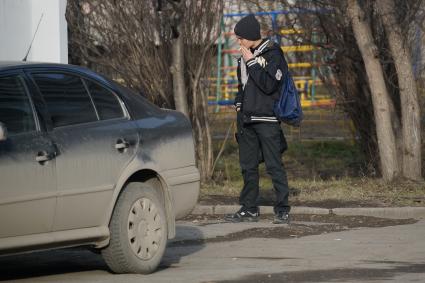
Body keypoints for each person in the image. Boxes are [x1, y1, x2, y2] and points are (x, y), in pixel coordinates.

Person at [225, 14, 291, 224]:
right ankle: (249, 208)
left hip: (267, 119)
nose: (239, 41)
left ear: (251, 35)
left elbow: (269, 85)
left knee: (273, 165)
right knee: (248, 166)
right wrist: (238, 104)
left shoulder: (273, 53)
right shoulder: (244, 56)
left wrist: (252, 62)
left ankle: (282, 208)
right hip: (246, 120)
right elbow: (242, 86)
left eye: (241, 37)